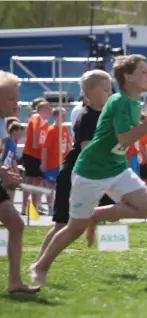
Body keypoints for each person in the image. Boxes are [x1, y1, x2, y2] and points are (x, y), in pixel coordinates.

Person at [29, 54, 147, 285]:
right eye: (144, 71)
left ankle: (96, 215)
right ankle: (39, 266)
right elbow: (124, 139)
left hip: (116, 168)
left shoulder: (133, 103)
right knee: (73, 228)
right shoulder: (118, 102)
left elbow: (128, 136)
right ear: (127, 76)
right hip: (90, 171)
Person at [35, 69, 117, 263]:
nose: (110, 94)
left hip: (95, 175)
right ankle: (39, 263)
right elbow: (89, 152)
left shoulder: (106, 116)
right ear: (90, 93)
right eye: (106, 90)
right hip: (75, 174)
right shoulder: (86, 118)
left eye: (111, 89)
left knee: (116, 210)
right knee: (62, 225)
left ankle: (92, 219)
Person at [0, 70, 40, 293]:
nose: (17, 105)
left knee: (16, 224)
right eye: (11, 99)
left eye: (17, 98)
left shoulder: (2, 123)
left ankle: (14, 282)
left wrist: (5, 172)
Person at [22, 97, 51, 215]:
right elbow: (35, 130)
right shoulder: (36, 117)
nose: (49, 111)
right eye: (47, 108)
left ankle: (35, 206)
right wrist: (35, 142)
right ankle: (24, 206)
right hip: (31, 154)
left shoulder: (45, 121)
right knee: (30, 180)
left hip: (39, 155)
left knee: (38, 181)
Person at [40, 107, 70, 215]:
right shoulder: (51, 130)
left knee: (63, 185)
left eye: (65, 115)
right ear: (56, 116)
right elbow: (45, 148)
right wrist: (43, 163)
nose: (64, 118)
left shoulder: (65, 128)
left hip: (63, 162)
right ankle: (50, 207)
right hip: (52, 163)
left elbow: (67, 144)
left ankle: (61, 206)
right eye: (62, 115)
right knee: (50, 185)